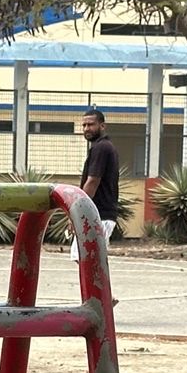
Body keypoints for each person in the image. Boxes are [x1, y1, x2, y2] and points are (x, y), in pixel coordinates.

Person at [73, 107, 119, 261]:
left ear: (102, 126)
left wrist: (78, 212)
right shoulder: (101, 147)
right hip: (99, 215)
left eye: (91, 124)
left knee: (88, 260)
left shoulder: (101, 148)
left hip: (98, 215)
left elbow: (93, 181)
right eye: (84, 125)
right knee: (88, 260)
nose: (87, 128)